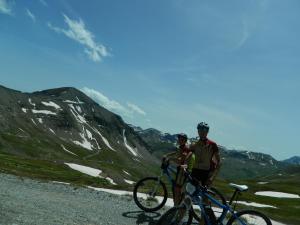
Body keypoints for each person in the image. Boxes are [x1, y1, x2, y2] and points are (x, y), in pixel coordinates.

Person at [162, 133, 195, 206]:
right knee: (176, 187)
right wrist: (167, 155)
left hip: (183, 170)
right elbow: (176, 152)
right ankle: (177, 205)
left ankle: (176, 207)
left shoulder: (185, 149)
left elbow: (181, 161)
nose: (180, 140)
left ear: (185, 141)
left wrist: (169, 159)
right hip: (182, 169)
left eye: (182, 139)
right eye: (179, 139)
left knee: (177, 189)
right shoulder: (182, 147)